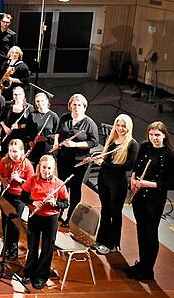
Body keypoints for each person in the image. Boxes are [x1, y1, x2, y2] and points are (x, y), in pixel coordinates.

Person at [125, 121, 174, 281]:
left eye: (157, 135)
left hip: (154, 200)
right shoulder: (145, 147)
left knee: (150, 233)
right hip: (139, 197)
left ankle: (148, 270)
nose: (154, 138)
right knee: (141, 231)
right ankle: (142, 264)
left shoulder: (171, 156)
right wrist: (133, 180)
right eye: (151, 135)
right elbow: (136, 167)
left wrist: (148, 184)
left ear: (164, 135)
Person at [20, 155, 68, 289]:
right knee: (33, 245)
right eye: (44, 168)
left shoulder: (59, 183)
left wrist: (55, 203)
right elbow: (23, 195)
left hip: (51, 218)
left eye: (49, 168)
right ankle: (29, 272)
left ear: (53, 169)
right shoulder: (32, 180)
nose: (46, 171)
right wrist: (32, 202)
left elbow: (66, 203)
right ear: (39, 167)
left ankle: (41, 276)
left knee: (47, 248)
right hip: (34, 216)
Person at [92, 114, 138, 255]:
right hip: (104, 180)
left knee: (115, 213)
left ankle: (112, 244)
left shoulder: (132, 144)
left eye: (123, 126)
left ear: (128, 127)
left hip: (117, 183)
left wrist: (104, 163)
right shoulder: (112, 139)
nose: (120, 128)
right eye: (118, 125)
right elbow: (108, 160)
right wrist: (100, 159)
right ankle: (101, 239)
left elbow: (128, 166)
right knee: (105, 211)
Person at [53, 93, 99, 227]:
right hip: (63, 158)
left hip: (79, 161)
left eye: (79, 105)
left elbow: (93, 142)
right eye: (74, 105)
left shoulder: (89, 123)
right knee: (62, 186)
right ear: (70, 105)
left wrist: (75, 145)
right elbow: (58, 132)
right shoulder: (65, 118)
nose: (76, 107)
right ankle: (59, 212)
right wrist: (57, 142)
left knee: (75, 188)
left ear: (84, 107)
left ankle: (70, 216)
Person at [0, 139, 35, 260]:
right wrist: (3, 180)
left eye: (15, 151)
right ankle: (5, 245)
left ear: (22, 151)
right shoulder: (5, 160)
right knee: (5, 221)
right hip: (7, 194)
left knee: (14, 223)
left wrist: (19, 180)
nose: (13, 154)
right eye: (11, 151)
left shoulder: (26, 164)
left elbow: (31, 183)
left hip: (19, 197)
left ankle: (13, 248)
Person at [25, 92, 59, 166]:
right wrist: (30, 141)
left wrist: (45, 138)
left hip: (47, 149)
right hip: (35, 148)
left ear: (47, 101)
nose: (40, 103)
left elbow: (57, 134)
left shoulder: (53, 116)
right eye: (37, 101)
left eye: (42, 100)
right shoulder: (32, 115)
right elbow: (27, 132)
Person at [0, 86, 31, 155]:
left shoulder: (29, 108)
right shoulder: (8, 105)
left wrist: (19, 126)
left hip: (22, 136)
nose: (17, 96)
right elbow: (1, 119)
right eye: (15, 94)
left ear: (23, 95)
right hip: (8, 134)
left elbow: (31, 124)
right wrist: (5, 128)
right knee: (6, 155)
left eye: (20, 94)